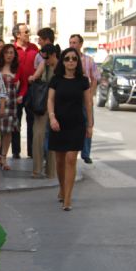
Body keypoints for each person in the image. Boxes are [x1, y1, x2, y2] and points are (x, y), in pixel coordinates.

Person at [47, 47, 93, 211]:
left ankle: (68, 198)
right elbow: (50, 100)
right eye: (67, 58)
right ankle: (62, 188)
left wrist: (90, 125)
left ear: (78, 61)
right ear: (63, 61)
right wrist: (52, 117)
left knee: (71, 159)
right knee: (59, 161)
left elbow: (88, 104)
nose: (71, 61)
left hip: (76, 124)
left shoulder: (83, 80)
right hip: (58, 124)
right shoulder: (56, 79)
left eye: (74, 58)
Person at [28, 43, 59, 179]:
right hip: (44, 105)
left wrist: (33, 78)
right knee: (39, 136)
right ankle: (42, 171)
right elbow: (34, 77)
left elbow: (33, 78)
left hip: (55, 105)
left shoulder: (59, 67)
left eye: (47, 58)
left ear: (53, 55)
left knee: (50, 137)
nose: (45, 61)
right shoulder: (46, 65)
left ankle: (47, 171)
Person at [69, 34, 98, 164]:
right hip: (70, 97)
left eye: (74, 42)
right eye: (70, 42)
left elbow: (95, 78)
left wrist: (90, 95)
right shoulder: (66, 60)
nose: (72, 45)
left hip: (84, 97)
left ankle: (85, 153)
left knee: (87, 123)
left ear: (81, 44)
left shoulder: (89, 60)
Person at [12, 23, 39, 159]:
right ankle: (15, 151)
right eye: (26, 32)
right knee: (16, 120)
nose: (28, 34)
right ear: (18, 35)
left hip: (32, 89)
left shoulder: (34, 48)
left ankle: (31, 151)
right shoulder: (12, 49)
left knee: (32, 120)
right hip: (16, 89)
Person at [0, 43, 21, 170]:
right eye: (7, 52)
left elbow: (24, 86)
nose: (9, 55)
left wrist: (21, 95)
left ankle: (4, 158)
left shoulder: (17, 69)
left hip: (12, 103)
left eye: (12, 52)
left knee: (8, 131)